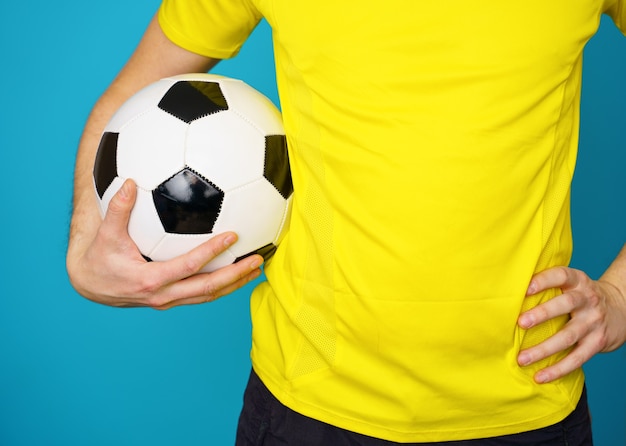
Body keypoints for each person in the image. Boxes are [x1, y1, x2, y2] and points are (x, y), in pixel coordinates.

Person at [66, 1, 626, 444]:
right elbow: (127, 98)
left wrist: (620, 296)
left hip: (525, 404)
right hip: (306, 406)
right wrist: (86, 249)